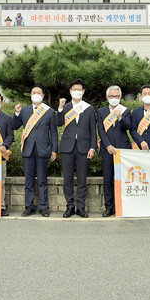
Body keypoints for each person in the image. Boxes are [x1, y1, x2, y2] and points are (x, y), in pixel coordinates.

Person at [12, 84, 58, 217]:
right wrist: (16, 113)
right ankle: (29, 207)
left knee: (43, 180)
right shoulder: (24, 110)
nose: (36, 94)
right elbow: (15, 126)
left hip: (43, 149)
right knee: (29, 180)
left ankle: (44, 207)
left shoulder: (49, 111)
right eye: (34, 92)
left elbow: (54, 133)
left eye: (39, 92)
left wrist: (54, 150)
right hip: (28, 149)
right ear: (31, 95)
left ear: (43, 96)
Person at [56, 79, 97, 218]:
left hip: (84, 147)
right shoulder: (66, 107)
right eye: (74, 89)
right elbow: (58, 123)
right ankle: (69, 206)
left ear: (83, 91)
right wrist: (60, 108)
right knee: (67, 178)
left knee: (82, 179)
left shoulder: (89, 108)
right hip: (67, 147)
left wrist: (92, 147)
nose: (77, 91)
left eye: (79, 89)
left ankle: (81, 207)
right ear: (70, 91)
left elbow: (93, 130)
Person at [96, 85, 132, 217]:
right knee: (108, 179)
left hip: (123, 150)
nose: (114, 98)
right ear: (107, 97)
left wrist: (120, 118)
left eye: (116, 96)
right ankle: (109, 207)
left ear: (120, 97)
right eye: (111, 96)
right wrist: (107, 146)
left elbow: (128, 126)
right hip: (108, 150)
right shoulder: (101, 112)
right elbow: (101, 131)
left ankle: (122, 206)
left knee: (123, 179)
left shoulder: (125, 111)